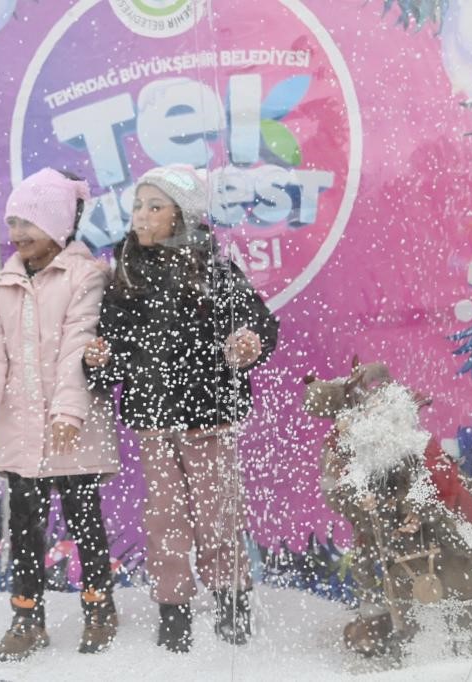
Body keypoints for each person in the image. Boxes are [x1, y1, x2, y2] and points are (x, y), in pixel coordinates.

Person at [83, 164, 278, 653]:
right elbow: (114, 348)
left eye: (155, 207)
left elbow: (258, 322)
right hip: (154, 418)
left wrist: (248, 341)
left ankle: (232, 599)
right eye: (138, 207)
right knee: (164, 517)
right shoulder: (125, 272)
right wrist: (102, 363)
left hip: (207, 415)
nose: (142, 217)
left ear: (181, 216)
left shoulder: (213, 267)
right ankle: (173, 607)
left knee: (218, 512)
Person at [0, 168, 120, 661]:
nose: (19, 232)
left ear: (61, 225)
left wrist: (68, 412)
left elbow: (78, 347)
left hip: (75, 432)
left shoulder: (85, 276)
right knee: (24, 527)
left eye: (32, 221)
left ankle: (99, 608)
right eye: (14, 220)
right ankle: (27, 618)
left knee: (85, 522)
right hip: (22, 435)